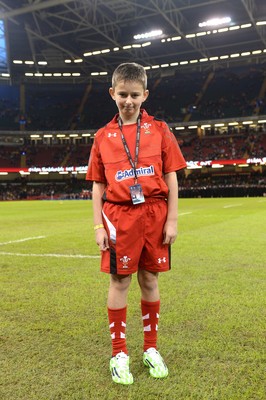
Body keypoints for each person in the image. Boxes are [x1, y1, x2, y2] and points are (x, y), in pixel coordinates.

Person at [86, 62, 187, 385]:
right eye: (122, 95)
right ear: (112, 93)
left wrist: (172, 220)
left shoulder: (160, 130)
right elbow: (98, 186)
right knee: (119, 282)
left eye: (134, 95)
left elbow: (170, 176)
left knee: (150, 280)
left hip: (154, 213)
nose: (128, 101)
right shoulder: (103, 136)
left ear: (145, 94)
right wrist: (98, 226)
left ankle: (151, 349)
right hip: (118, 216)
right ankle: (119, 353)